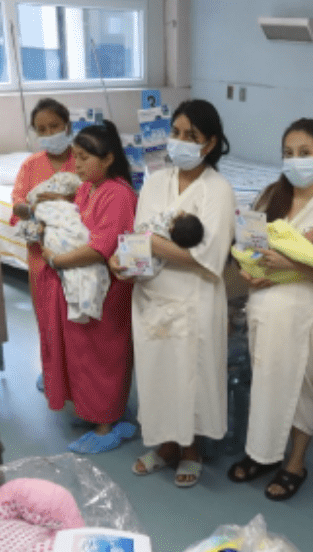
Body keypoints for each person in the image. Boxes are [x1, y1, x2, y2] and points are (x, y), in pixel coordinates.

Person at [226, 118, 313, 502]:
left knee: (301, 387)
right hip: (264, 307)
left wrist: (288, 266)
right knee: (265, 384)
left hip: (305, 312)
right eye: (288, 153)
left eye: (305, 153)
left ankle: (294, 463)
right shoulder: (272, 196)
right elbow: (249, 242)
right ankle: (262, 454)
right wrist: (248, 270)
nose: (295, 160)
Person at [118, 99, 236, 488]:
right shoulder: (154, 182)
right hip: (151, 295)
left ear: (209, 143)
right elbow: (137, 240)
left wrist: (151, 244)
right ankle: (165, 445)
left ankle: (190, 449)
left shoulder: (217, 190)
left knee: (192, 376)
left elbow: (209, 257)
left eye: (192, 136)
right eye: (176, 132)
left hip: (194, 300)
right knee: (157, 374)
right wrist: (124, 263)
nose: (181, 141)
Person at [30, 122, 138, 454]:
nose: (76, 165)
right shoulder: (86, 188)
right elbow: (74, 220)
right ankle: (91, 411)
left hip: (105, 290)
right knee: (81, 352)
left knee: (103, 355)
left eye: (84, 158)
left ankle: (108, 423)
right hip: (79, 284)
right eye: (75, 157)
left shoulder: (118, 194)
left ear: (107, 159)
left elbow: (100, 247)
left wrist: (59, 260)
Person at [13, 98, 79, 392]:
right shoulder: (30, 166)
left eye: (54, 126)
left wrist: (65, 203)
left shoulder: (82, 158)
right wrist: (36, 207)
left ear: (68, 125)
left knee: (77, 314)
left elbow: (93, 198)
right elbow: (17, 204)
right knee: (48, 318)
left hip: (77, 250)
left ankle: (77, 372)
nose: (50, 133)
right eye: (42, 129)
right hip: (42, 254)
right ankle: (52, 370)